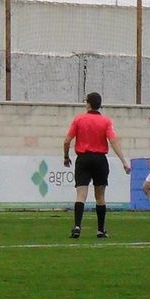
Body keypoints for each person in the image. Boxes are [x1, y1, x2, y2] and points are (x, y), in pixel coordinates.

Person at [63, 91, 131, 239]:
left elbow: (67, 141)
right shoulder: (106, 122)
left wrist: (66, 157)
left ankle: (77, 227)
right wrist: (124, 161)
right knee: (100, 196)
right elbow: (113, 142)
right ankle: (100, 230)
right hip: (100, 160)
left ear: (88, 104)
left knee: (81, 194)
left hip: (83, 159)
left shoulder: (79, 119)